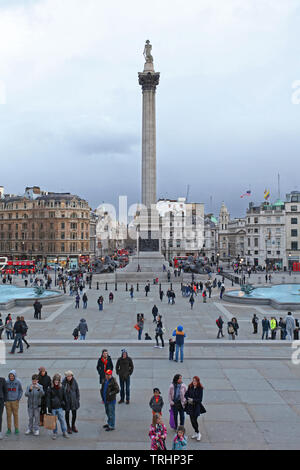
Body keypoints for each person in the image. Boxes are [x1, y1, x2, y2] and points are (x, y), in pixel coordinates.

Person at [46, 373, 69, 440]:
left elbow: (64, 397)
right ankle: (55, 432)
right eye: (55, 381)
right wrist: (49, 407)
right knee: (54, 421)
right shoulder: (50, 388)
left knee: (62, 420)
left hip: (59, 407)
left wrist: (65, 404)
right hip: (53, 407)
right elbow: (48, 398)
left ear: (59, 381)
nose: (56, 382)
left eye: (57, 381)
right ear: (53, 381)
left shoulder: (62, 388)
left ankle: (64, 431)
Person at [184, 376, 206, 441]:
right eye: (193, 381)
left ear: (198, 382)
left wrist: (193, 400)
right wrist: (188, 399)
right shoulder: (190, 386)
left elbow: (200, 399)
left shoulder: (200, 388)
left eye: (195, 381)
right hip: (190, 406)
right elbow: (186, 394)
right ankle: (196, 432)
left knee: (194, 420)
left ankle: (198, 433)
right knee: (192, 420)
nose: (194, 382)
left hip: (196, 407)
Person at [5, 370, 23, 435]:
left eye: (12, 376)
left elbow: (21, 390)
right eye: (10, 376)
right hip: (8, 401)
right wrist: (5, 400)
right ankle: (9, 429)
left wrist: (18, 398)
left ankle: (16, 429)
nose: (11, 377)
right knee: (8, 416)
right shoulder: (6, 382)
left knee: (15, 415)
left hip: (15, 401)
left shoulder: (18, 382)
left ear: (14, 376)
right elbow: (4, 391)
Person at [0, 375, 8, 440]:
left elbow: (6, 391)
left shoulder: (2, 380)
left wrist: (5, 401)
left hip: (1, 401)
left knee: (0, 417)